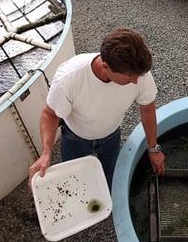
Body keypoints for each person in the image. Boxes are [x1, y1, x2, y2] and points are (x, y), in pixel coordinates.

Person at [28, 27, 165, 189]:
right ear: (105, 66)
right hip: (75, 138)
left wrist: (153, 148)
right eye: (129, 78)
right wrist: (46, 152)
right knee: (75, 179)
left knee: (110, 173)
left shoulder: (138, 74)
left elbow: (147, 109)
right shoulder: (69, 78)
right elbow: (49, 115)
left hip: (111, 135)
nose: (136, 82)